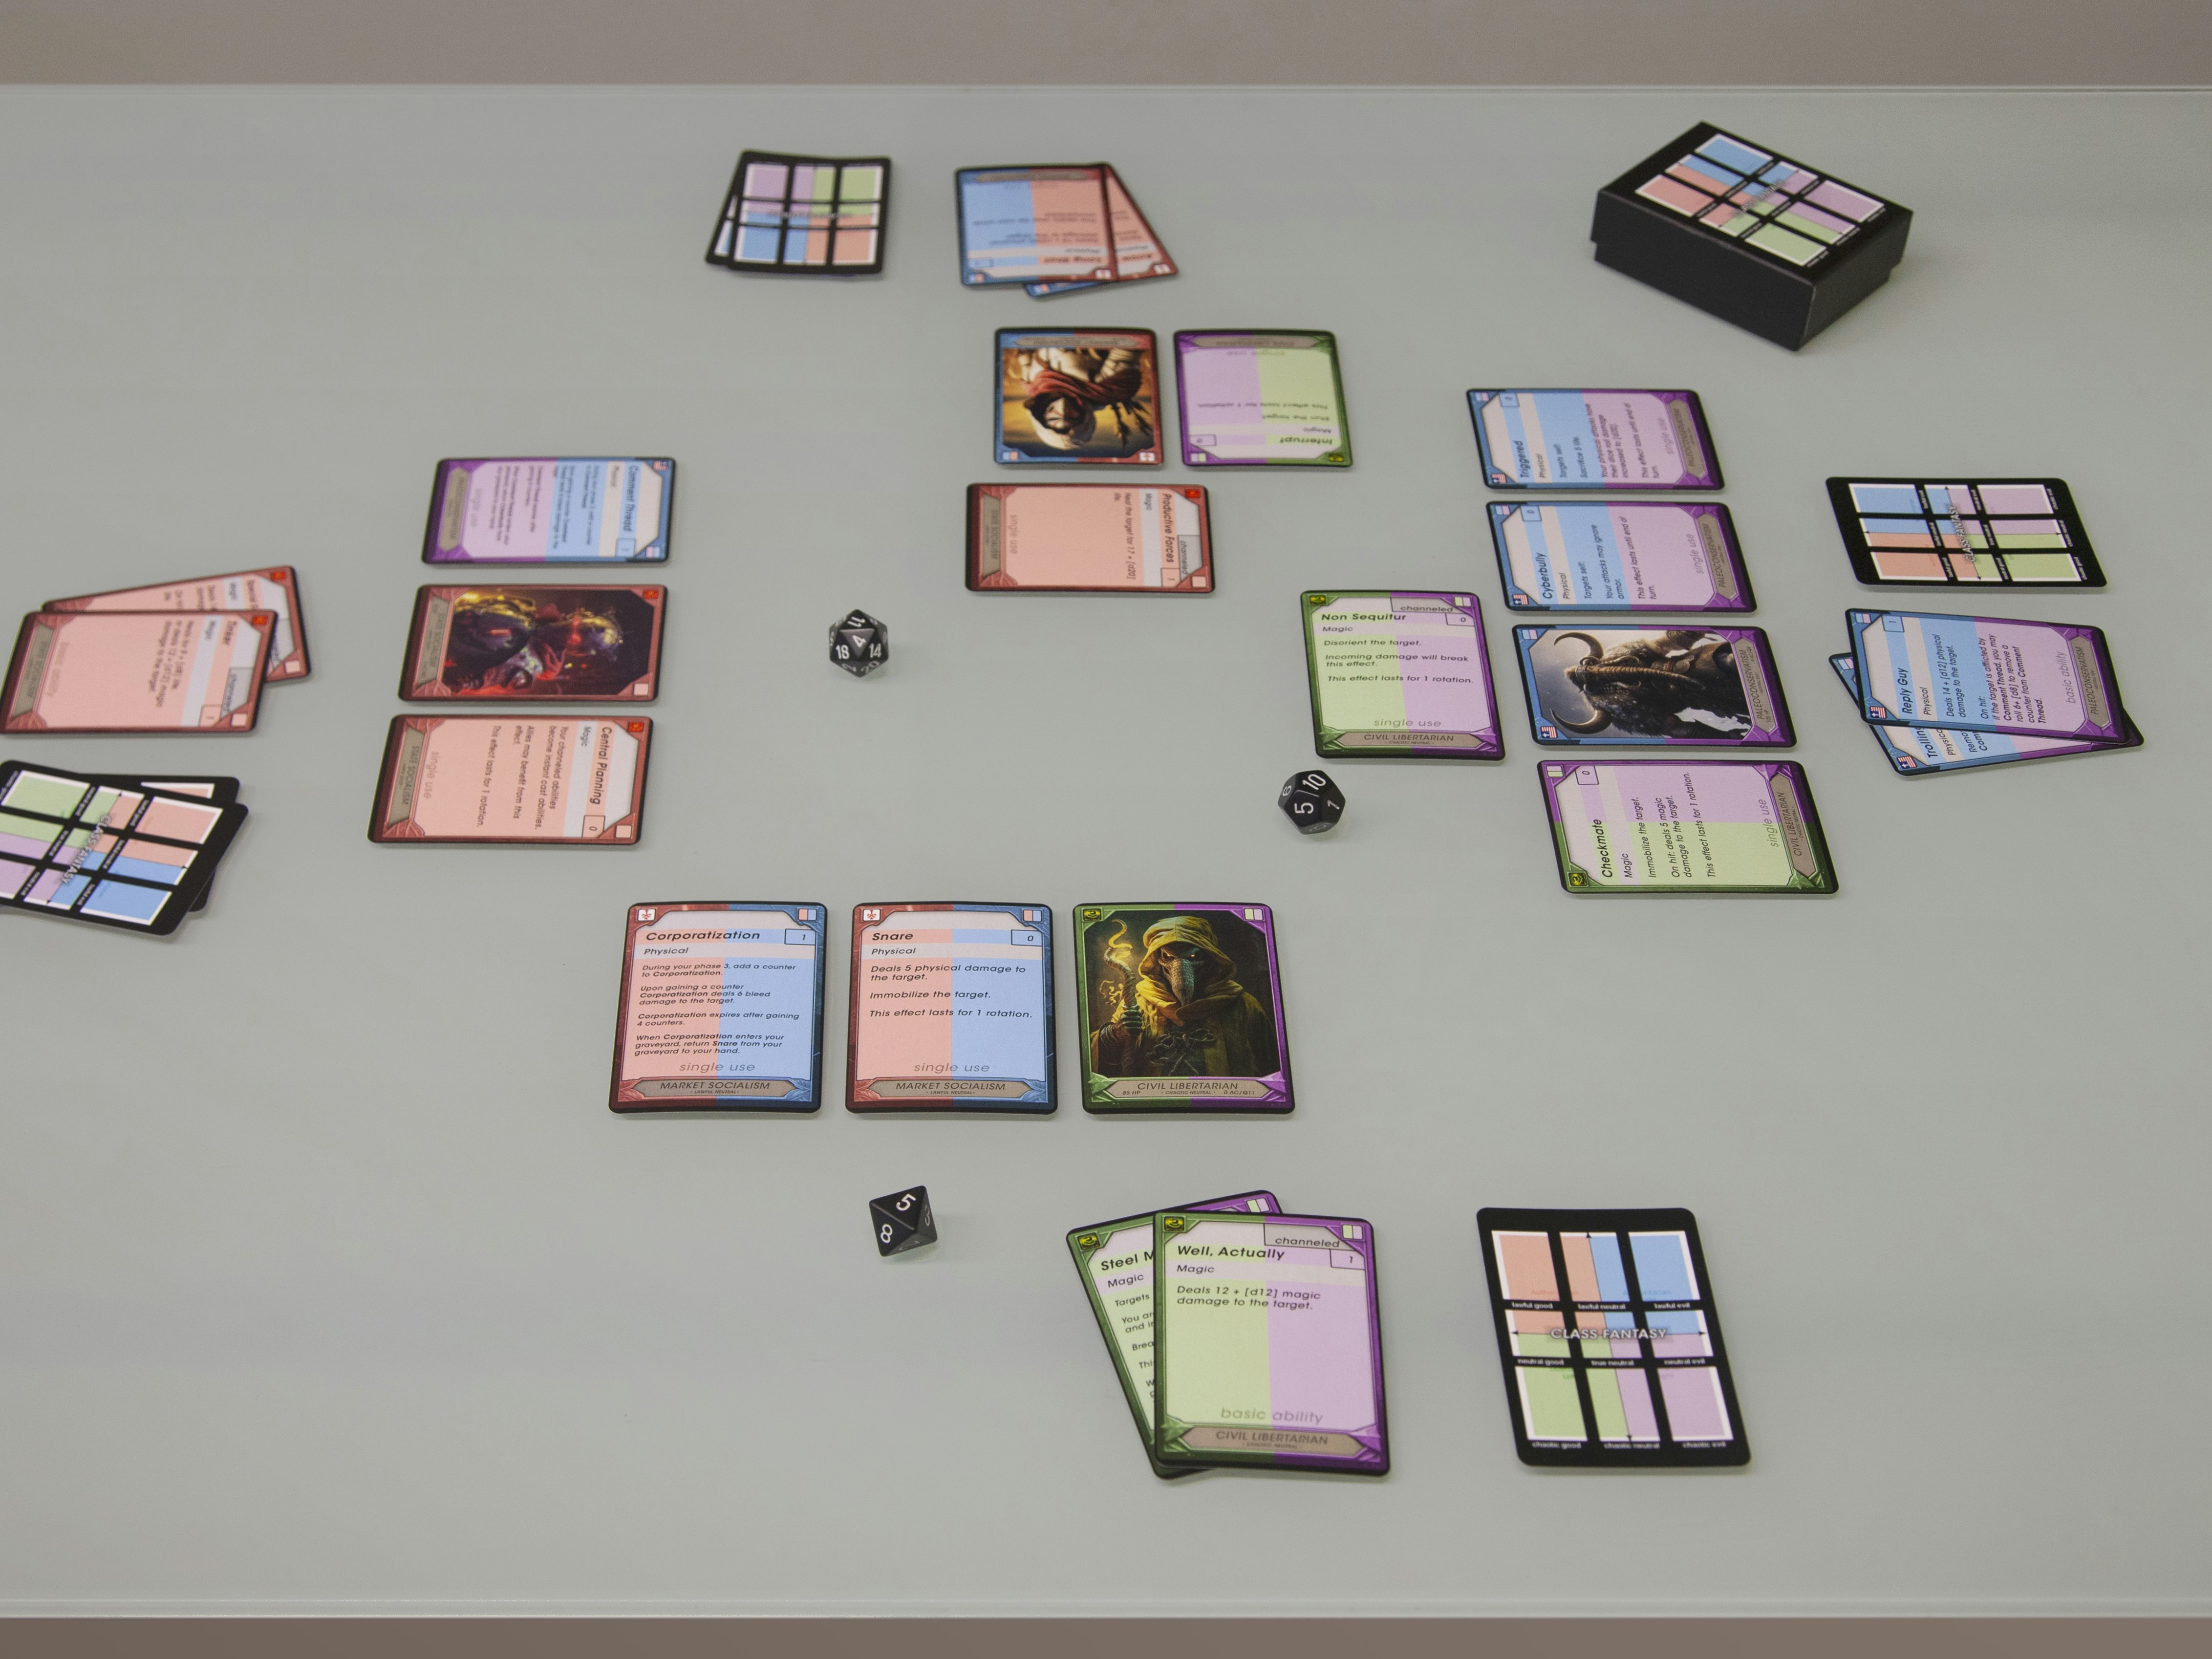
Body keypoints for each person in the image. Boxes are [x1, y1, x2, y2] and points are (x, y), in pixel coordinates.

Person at [1091, 915, 1277, 1078]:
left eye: (1193, 957)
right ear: (1157, 961)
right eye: (1168, 957)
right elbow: (1102, 1062)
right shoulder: (1139, 1003)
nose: (1180, 968)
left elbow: (1272, 1065)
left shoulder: (1243, 1006)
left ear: (1209, 959)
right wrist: (1115, 1033)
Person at [1012, 343, 1153, 455]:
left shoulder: (1033, 387)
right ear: (1083, 416)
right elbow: (1128, 344)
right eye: (1071, 418)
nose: (1063, 412)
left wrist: (1025, 358)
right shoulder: (1108, 389)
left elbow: (1026, 361)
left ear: (1041, 417)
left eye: (1054, 419)